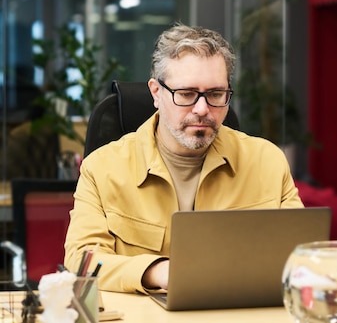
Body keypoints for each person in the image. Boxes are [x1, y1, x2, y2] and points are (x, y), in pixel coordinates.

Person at [64, 23, 303, 293]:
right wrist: (159, 272)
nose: (202, 109)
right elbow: (81, 262)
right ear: (156, 92)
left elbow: (303, 257)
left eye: (215, 94)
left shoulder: (267, 161)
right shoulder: (103, 168)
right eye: (187, 94)